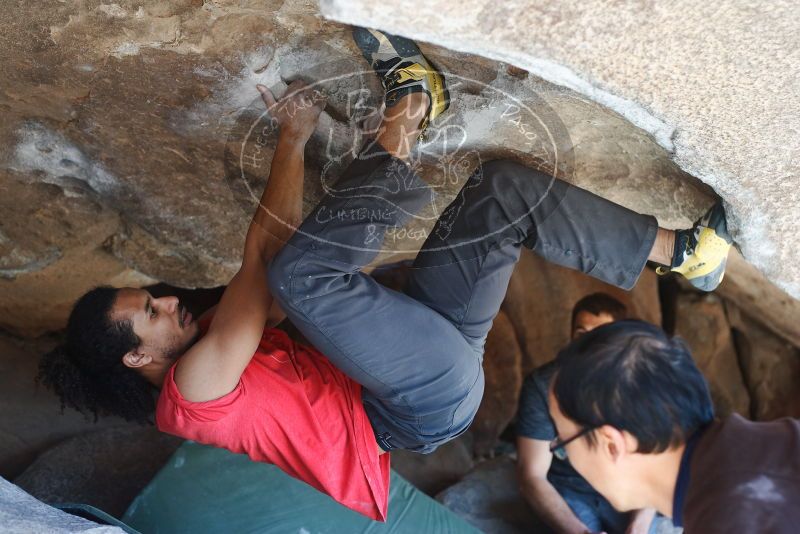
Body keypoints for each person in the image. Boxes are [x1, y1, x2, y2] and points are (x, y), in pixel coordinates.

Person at [37, 28, 733, 521]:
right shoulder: (190, 395)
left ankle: (684, 252)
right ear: (136, 357)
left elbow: (270, 256)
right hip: (417, 400)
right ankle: (414, 103)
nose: (166, 301)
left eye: (152, 296)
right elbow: (268, 265)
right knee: (300, 279)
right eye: (149, 313)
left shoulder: (215, 336)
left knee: (502, 192)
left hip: (423, 351)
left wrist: (296, 136)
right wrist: (293, 139)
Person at [549, 320, 800, 534]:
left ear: (612, 445)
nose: (558, 447)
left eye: (562, 441)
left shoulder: (733, 517)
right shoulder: (776, 445)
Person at [517, 293, 662, 534]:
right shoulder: (543, 387)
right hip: (570, 490)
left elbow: (656, 467)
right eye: (582, 335)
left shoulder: (641, 387)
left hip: (626, 488)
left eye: (601, 335)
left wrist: (639, 526)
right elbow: (532, 475)